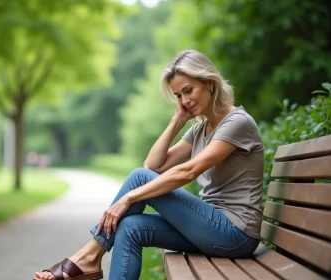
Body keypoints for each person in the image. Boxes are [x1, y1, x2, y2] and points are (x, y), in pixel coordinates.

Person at [33, 50, 264, 280]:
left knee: (139, 179)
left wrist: (129, 198)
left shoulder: (237, 123)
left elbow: (188, 171)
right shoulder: (200, 129)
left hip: (236, 234)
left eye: (188, 91)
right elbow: (153, 165)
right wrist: (177, 121)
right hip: (212, 228)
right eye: (178, 96)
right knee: (130, 227)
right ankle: (89, 258)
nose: (185, 101)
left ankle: (88, 257)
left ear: (209, 83)